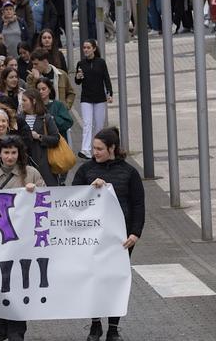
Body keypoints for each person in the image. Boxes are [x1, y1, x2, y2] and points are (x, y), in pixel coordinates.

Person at [73, 127, 145, 341]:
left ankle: (113, 328)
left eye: (99, 149)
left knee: (115, 281)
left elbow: (138, 204)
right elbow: (72, 199)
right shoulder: (85, 171)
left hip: (121, 239)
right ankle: (95, 326)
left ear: (112, 148)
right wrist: (91, 190)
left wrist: (135, 233)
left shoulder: (129, 173)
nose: (95, 152)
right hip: (91, 237)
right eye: (94, 148)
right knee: (93, 280)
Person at [0, 135, 43, 341]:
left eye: (14, 153)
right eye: (6, 152)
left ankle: (16, 332)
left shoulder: (30, 174)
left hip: (23, 242)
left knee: (17, 285)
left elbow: (47, 201)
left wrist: (36, 191)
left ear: (19, 154)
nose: (10, 157)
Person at [75, 39, 113, 159]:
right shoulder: (81, 64)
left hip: (99, 98)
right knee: (87, 123)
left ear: (94, 49)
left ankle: (98, 149)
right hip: (86, 97)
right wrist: (78, 77)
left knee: (99, 126)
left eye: (88, 47)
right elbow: (77, 81)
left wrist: (109, 93)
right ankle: (85, 149)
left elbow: (106, 78)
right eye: (84, 48)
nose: (86, 50)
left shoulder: (101, 63)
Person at [17, 89, 61, 187]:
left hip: (43, 162)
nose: (22, 103)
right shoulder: (18, 118)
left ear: (33, 101)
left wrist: (39, 137)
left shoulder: (46, 118)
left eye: (24, 100)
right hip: (24, 161)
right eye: (21, 101)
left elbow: (56, 138)